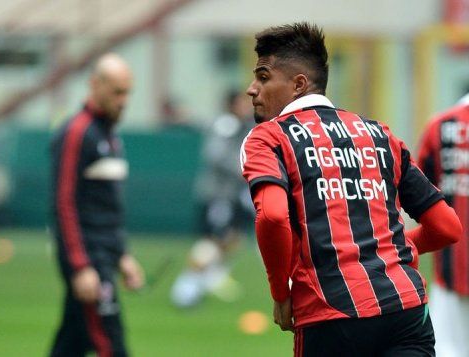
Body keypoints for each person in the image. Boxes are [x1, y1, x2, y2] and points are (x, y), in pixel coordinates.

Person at [240, 22, 462, 356]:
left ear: (298, 84)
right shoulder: (380, 135)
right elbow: (447, 227)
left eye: (263, 76)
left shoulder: (269, 137)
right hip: (405, 308)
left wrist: (281, 293)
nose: (251, 88)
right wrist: (388, 251)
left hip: (331, 312)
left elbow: (272, 217)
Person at [49, 53, 145, 357]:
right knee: (110, 343)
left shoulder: (110, 135)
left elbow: (107, 208)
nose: (123, 100)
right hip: (88, 259)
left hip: (104, 254)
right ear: (95, 84)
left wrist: (122, 255)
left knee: (71, 343)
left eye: (127, 92)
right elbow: (64, 203)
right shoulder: (78, 132)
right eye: (117, 92)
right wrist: (80, 266)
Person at [171, 90, 254, 308]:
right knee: (213, 240)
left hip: (230, 195)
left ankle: (209, 277)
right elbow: (215, 155)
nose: (247, 107)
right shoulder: (225, 125)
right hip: (218, 195)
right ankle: (185, 289)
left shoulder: (240, 126)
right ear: (231, 104)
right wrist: (241, 169)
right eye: (242, 103)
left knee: (232, 239)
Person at [417, 92, 469, 357]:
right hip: (449, 269)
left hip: (451, 265)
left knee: (447, 350)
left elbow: (416, 191)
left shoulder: (440, 126)